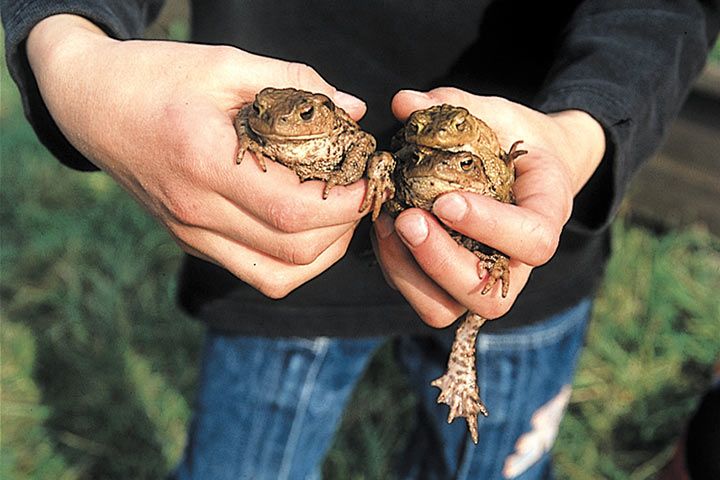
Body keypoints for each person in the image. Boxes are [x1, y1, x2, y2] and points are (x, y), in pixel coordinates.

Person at [2, 1, 717, 478]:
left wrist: (583, 129)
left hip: (521, 250)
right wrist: (69, 51)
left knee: (485, 456)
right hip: (267, 247)